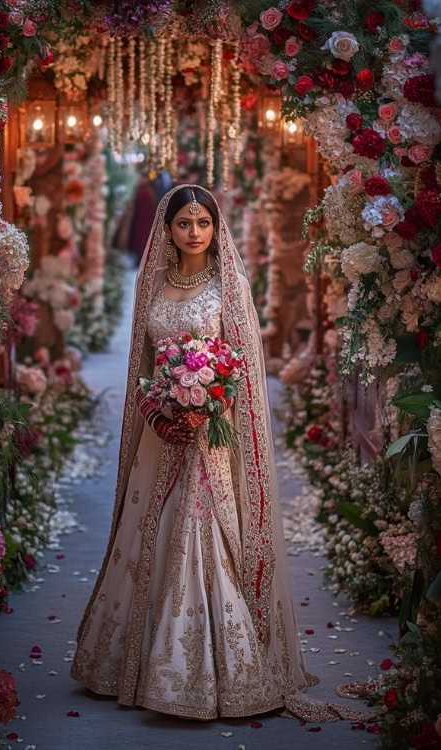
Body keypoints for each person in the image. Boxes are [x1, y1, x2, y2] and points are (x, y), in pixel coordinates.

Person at [71, 185, 367, 723]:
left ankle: (206, 671)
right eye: (183, 223)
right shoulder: (153, 286)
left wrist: (208, 407)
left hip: (211, 436)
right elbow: (141, 363)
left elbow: (246, 370)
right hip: (161, 432)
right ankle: (135, 663)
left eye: (202, 223)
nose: (193, 233)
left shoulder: (227, 286)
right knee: (150, 529)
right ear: (168, 229)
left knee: (201, 530)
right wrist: (157, 406)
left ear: (215, 227)